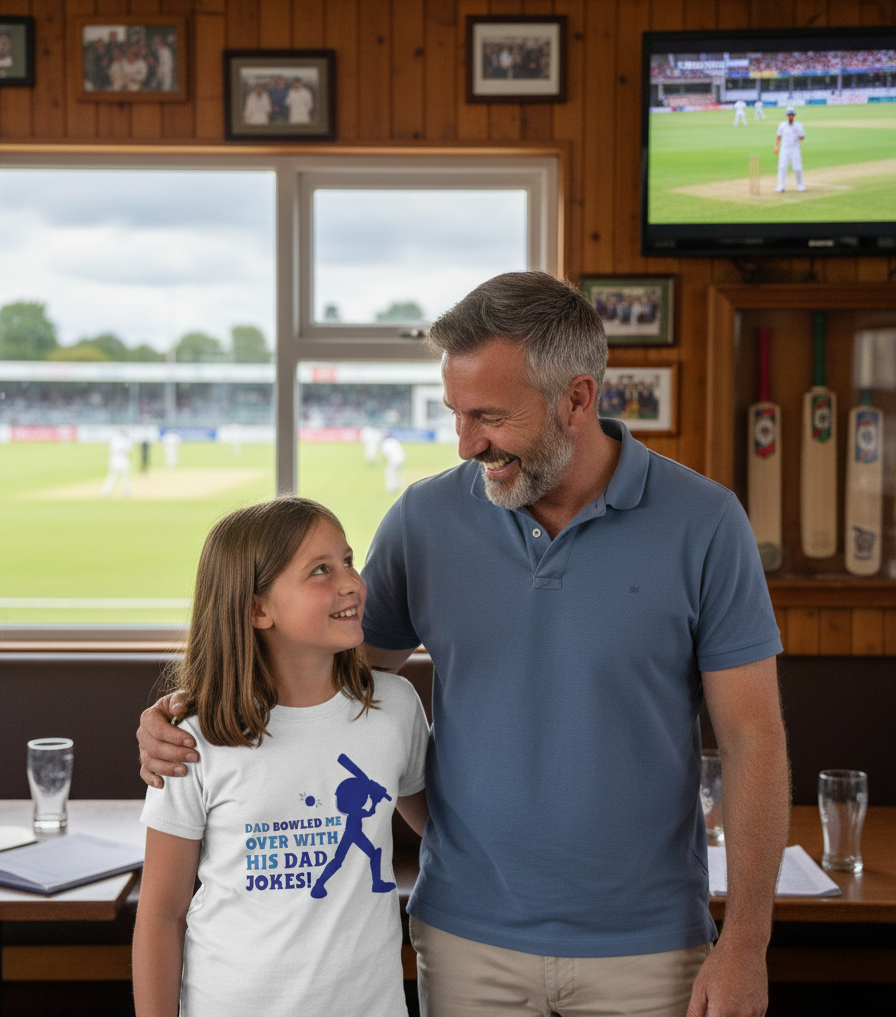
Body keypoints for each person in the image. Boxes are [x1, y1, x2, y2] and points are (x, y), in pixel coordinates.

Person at [138, 272, 789, 1017]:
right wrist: (187, 710)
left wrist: (746, 941)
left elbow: (753, 738)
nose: (466, 441)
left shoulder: (706, 522)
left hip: (650, 947)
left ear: (577, 398)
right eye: (456, 412)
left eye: (489, 415)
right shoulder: (425, 517)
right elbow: (321, 681)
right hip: (465, 940)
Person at [132, 497, 429, 1017]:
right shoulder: (191, 739)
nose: (352, 583)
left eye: (348, 561)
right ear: (256, 609)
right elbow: (161, 911)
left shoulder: (395, 708)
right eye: (320, 570)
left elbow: (444, 830)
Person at [774, 106, 805, 192]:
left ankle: (800, 185)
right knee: (782, 167)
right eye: (789, 115)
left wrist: (798, 134)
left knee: (797, 167)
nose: (791, 116)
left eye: (792, 115)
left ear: (794, 115)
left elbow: (802, 138)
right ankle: (781, 186)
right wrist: (776, 146)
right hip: (784, 148)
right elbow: (778, 136)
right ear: (787, 115)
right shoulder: (782, 125)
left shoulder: (798, 125)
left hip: (795, 149)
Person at [101, 428, 133, 497]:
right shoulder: (116, 440)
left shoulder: (126, 440)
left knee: (125, 476)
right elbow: (114, 450)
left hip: (123, 459)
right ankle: (106, 490)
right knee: (113, 475)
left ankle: (126, 490)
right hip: (116, 459)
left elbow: (128, 451)